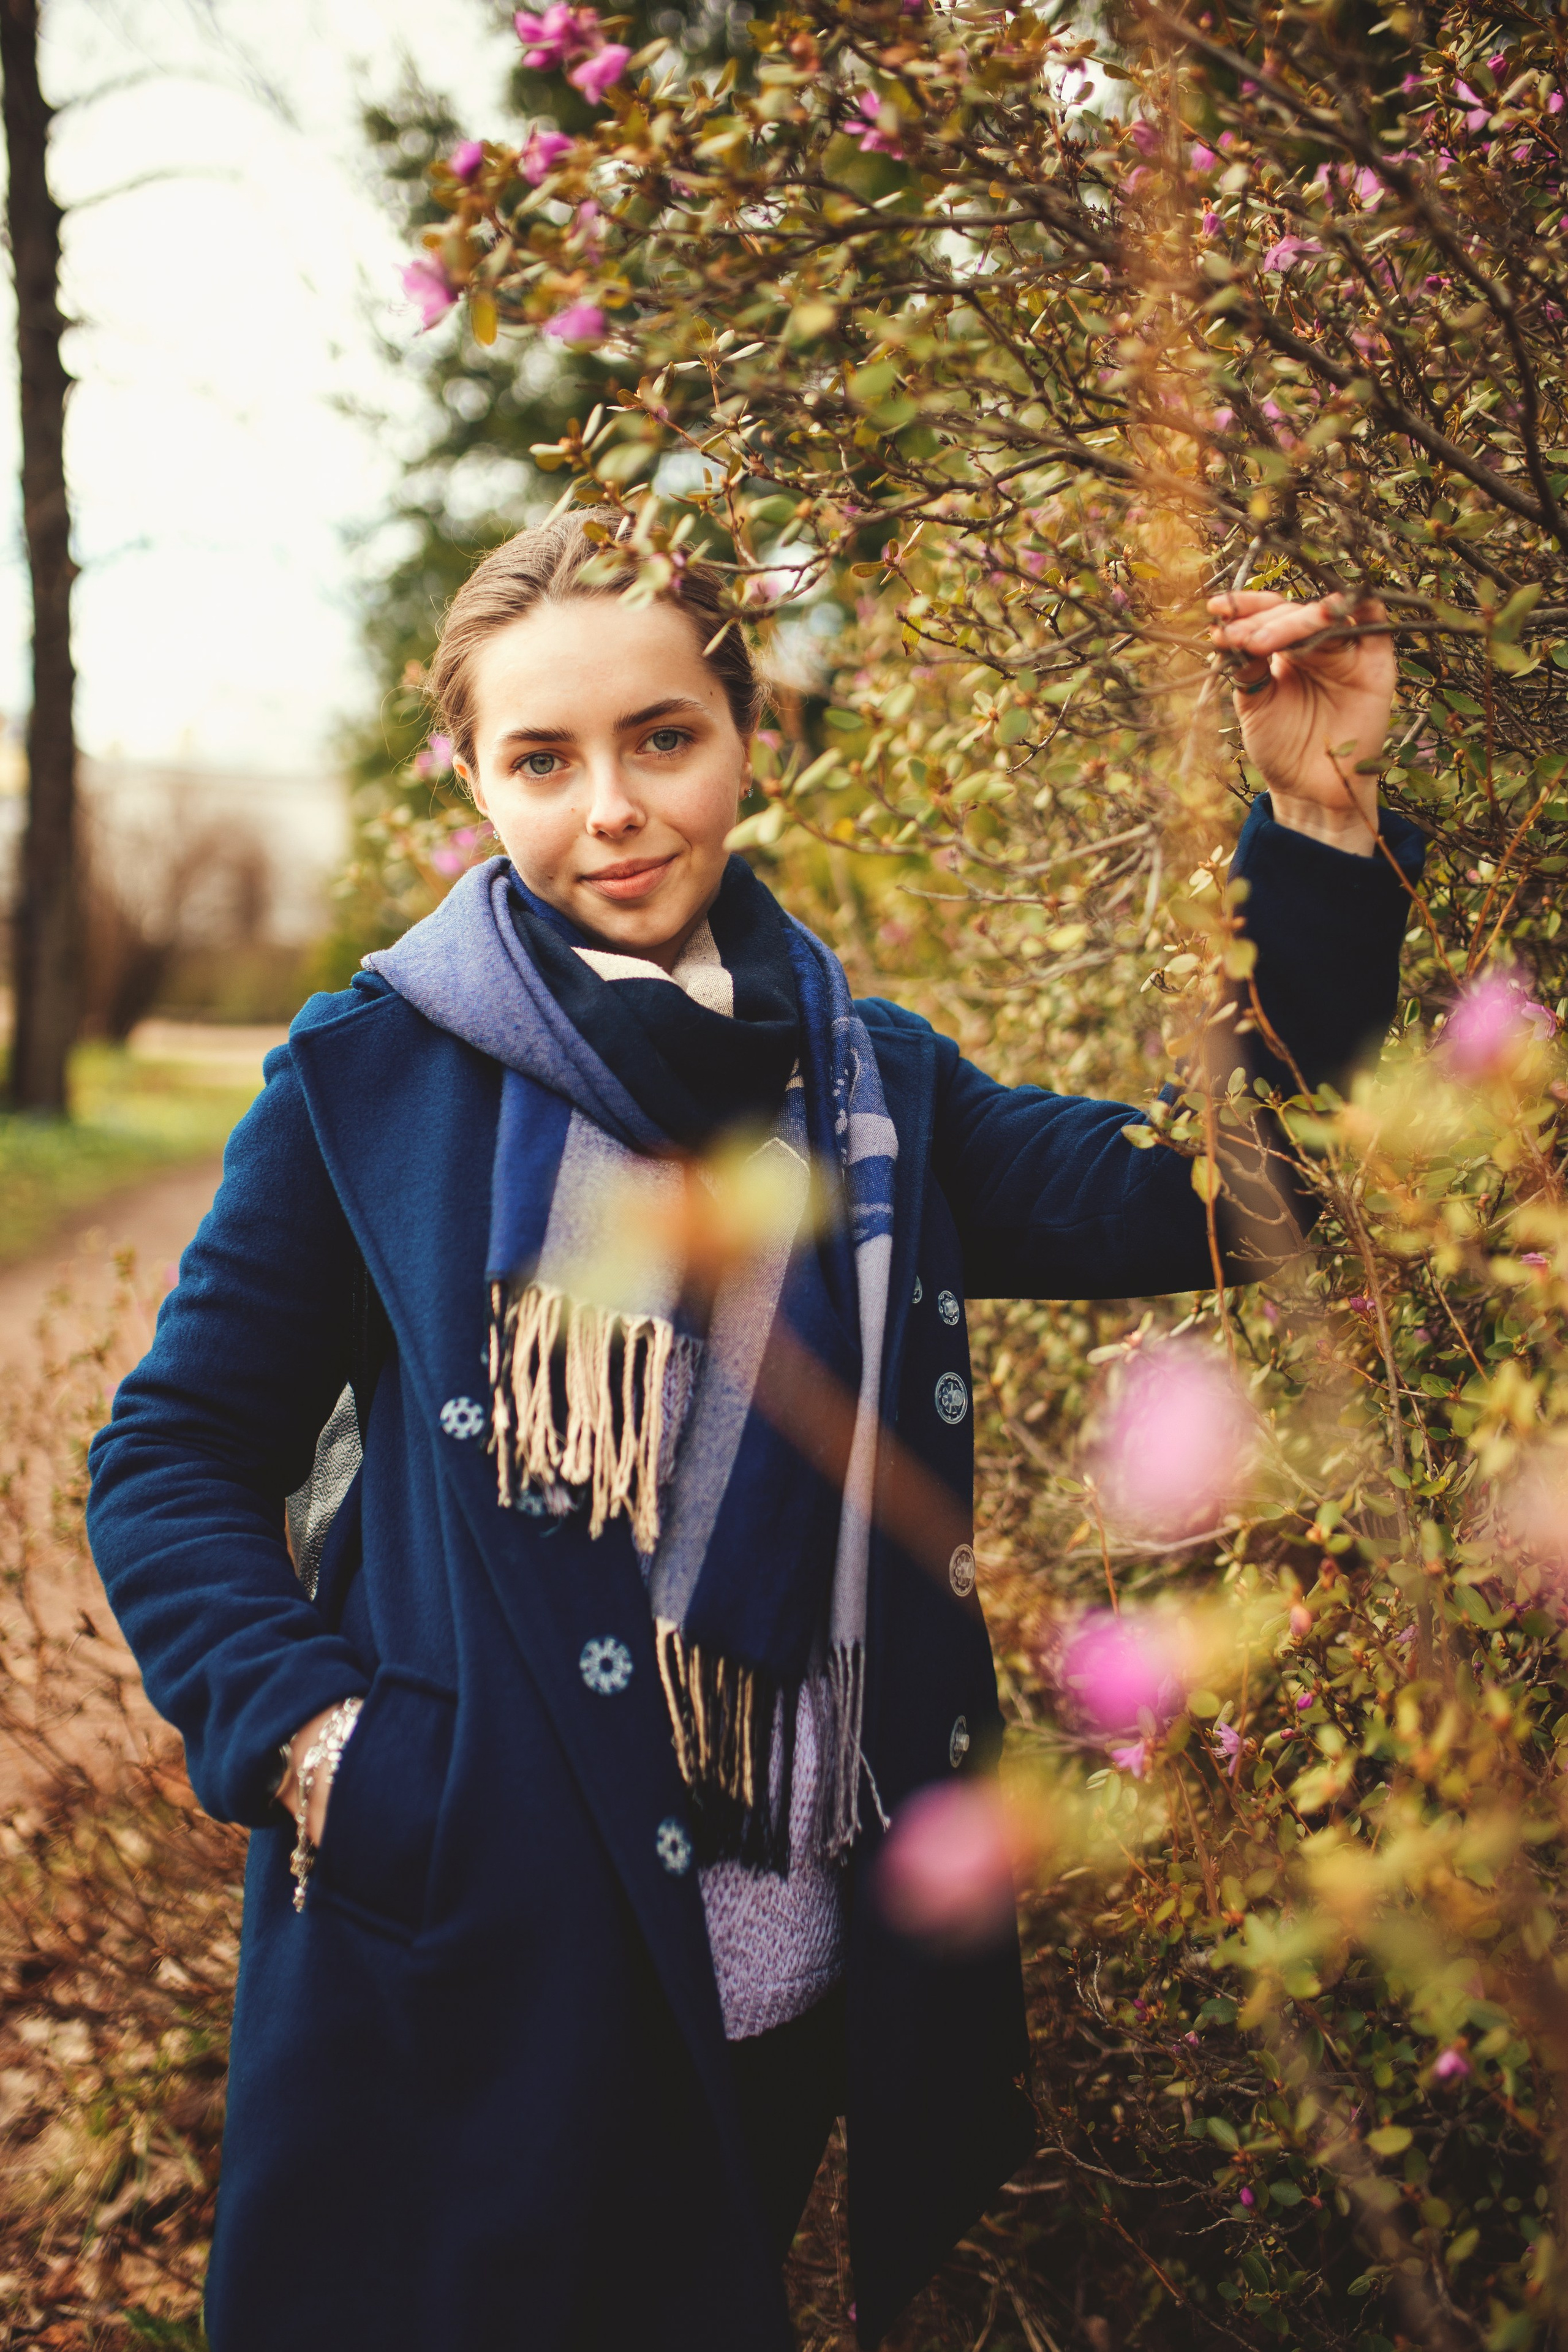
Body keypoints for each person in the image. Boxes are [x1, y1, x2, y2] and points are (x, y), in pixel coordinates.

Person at [86, 521, 1417, 2352]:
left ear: (745, 740)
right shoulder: (370, 1081)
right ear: (471, 777)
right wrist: (326, 1752)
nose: (613, 808)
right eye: (543, 761)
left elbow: (1223, 1195)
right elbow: (171, 1459)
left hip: (775, 1960)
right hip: (469, 1932)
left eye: (663, 737)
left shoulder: (878, 1086)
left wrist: (1321, 820)